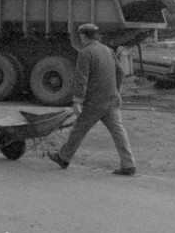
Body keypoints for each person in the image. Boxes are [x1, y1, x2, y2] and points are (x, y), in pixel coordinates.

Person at [48, 23, 136, 175]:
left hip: (94, 102)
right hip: (111, 100)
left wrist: (77, 102)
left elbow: (81, 79)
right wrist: (117, 91)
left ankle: (64, 157)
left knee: (78, 130)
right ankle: (129, 165)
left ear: (83, 36)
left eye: (80, 35)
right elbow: (120, 72)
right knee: (118, 131)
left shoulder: (86, 53)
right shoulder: (107, 50)